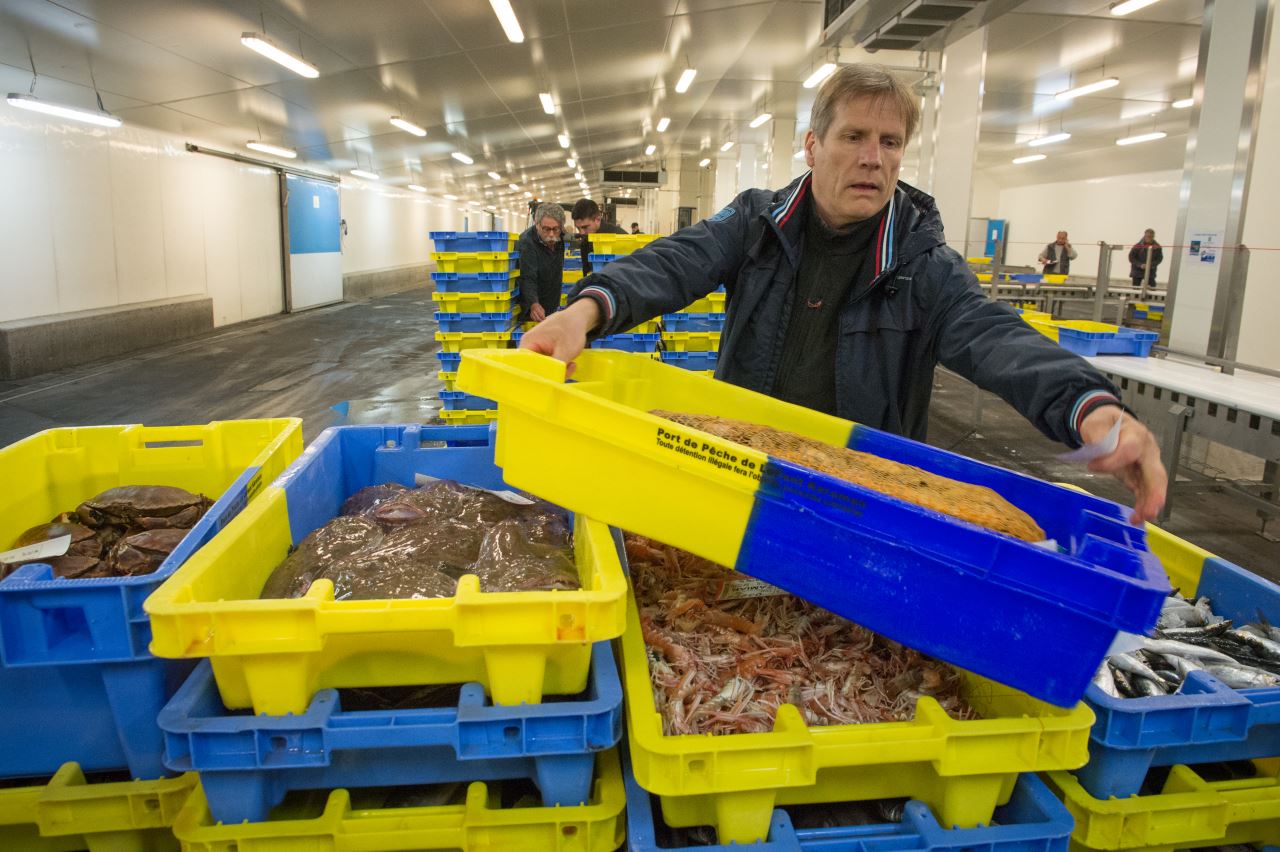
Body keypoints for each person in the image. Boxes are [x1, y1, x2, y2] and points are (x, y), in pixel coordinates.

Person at [523, 64, 1166, 523]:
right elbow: (676, 262)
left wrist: (1092, 409)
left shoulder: (924, 264)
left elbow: (993, 335)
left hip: (864, 498)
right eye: (854, 137)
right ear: (813, 145)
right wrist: (583, 311)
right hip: (744, 474)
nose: (873, 158)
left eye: (890, 143)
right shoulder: (756, 222)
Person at [515, 202, 566, 323]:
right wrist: (533, 304)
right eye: (546, 229)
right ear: (537, 225)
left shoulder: (560, 238)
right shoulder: (526, 243)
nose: (551, 234)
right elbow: (527, 278)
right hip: (532, 312)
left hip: (551, 303)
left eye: (556, 229)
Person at [571, 198, 628, 276]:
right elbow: (586, 274)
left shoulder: (620, 237)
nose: (581, 232)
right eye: (578, 228)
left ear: (598, 219)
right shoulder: (585, 243)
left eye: (585, 227)